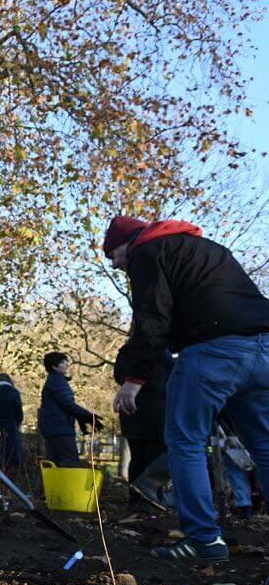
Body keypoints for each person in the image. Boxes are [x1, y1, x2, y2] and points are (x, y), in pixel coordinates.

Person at [105, 215, 269, 563]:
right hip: (263, 348)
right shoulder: (210, 248)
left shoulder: (147, 251)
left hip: (211, 353)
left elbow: (153, 320)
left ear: (127, 242)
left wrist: (134, 381)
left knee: (185, 442)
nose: (116, 263)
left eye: (113, 254)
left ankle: (205, 540)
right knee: (264, 445)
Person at [114, 348, 170, 512]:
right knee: (154, 457)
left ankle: (135, 500)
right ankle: (151, 501)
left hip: (132, 412)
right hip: (156, 412)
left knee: (137, 458)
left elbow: (119, 375)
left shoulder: (125, 352)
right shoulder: (162, 354)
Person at [37, 352, 100, 467]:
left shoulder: (54, 380)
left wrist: (81, 419)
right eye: (63, 362)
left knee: (55, 465)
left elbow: (65, 406)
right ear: (54, 366)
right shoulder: (57, 381)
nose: (67, 364)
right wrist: (88, 416)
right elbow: (67, 404)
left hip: (54, 429)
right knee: (69, 464)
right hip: (60, 430)